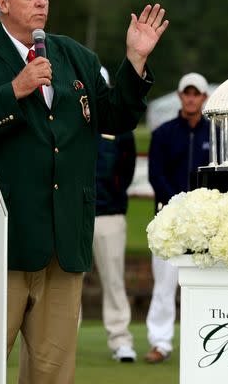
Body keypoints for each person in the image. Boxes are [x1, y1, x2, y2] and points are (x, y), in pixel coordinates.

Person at [0, 0, 167, 383]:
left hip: (64, 243)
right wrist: (14, 91)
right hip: (1, 242)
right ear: (2, 4)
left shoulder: (76, 56)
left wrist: (134, 61)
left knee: (52, 374)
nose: (42, 1)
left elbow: (114, 117)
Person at [144, 72, 210, 364]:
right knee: (164, 285)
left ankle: (206, 344)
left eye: (196, 93)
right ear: (181, 96)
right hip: (169, 221)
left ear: (204, 98)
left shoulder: (218, 134)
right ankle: (160, 343)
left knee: (206, 286)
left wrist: (199, 207)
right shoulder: (163, 133)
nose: (191, 98)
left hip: (207, 221)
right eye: (187, 93)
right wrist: (178, 204)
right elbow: (155, 175)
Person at [93, 130, 137, 362]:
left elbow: (126, 170)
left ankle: (121, 341)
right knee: (65, 282)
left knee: (113, 280)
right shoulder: (70, 113)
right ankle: (63, 341)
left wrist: (114, 193)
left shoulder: (121, 128)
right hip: (72, 212)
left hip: (110, 212)